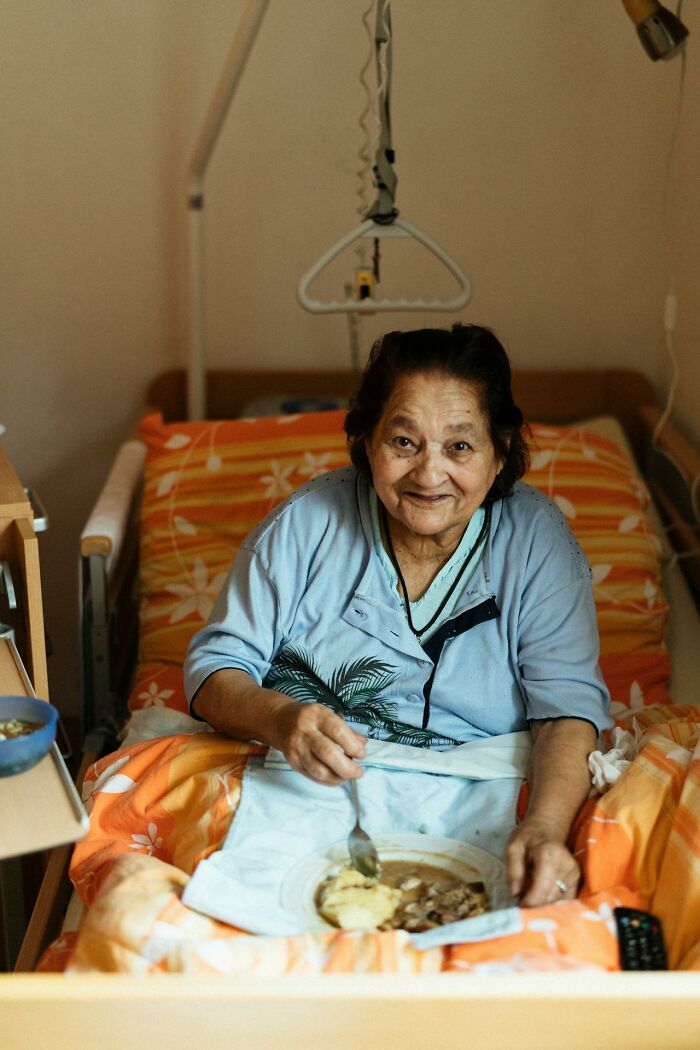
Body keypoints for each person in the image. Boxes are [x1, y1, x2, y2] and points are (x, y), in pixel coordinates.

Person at [184, 324, 612, 908]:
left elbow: (566, 713)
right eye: (404, 442)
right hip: (305, 780)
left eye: (460, 446)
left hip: (485, 786)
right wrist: (281, 718)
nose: (429, 475)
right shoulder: (308, 525)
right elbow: (214, 671)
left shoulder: (538, 543)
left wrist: (543, 829)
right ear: (366, 441)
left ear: (500, 452)